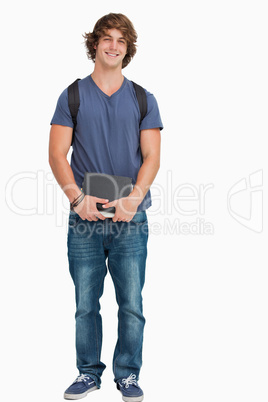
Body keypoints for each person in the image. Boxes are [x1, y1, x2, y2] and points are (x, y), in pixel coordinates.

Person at [49, 13, 163, 401]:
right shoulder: (73, 95)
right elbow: (56, 155)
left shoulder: (143, 98)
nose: (113, 45)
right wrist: (77, 199)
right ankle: (87, 374)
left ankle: (127, 375)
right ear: (94, 43)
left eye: (121, 41)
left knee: (131, 304)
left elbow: (152, 158)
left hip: (132, 218)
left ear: (128, 49)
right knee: (85, 304)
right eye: (106, 38)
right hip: (84, 219)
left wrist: (133, 200)